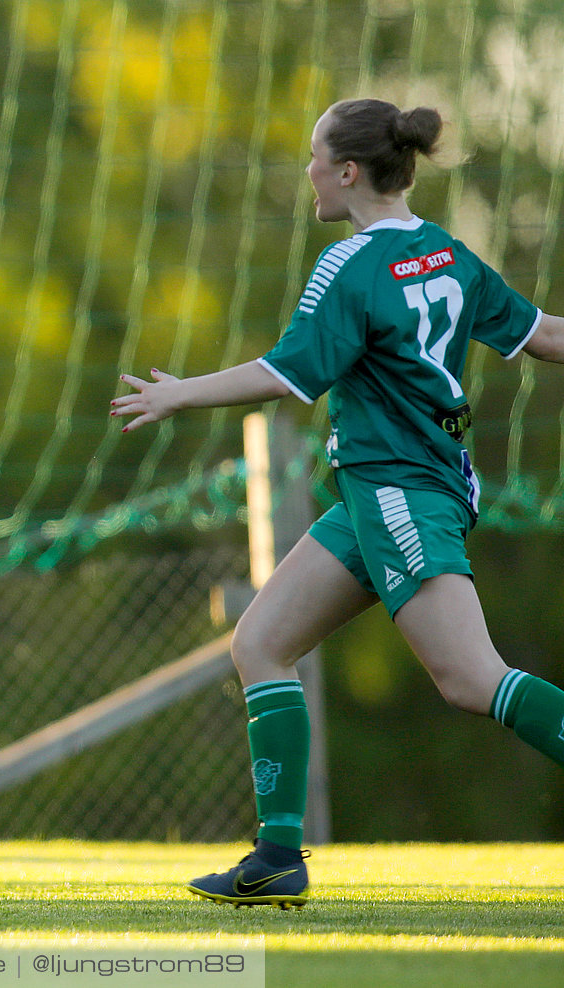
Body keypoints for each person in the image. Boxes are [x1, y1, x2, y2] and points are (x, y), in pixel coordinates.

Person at [112, 98, 564, 909]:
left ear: (348, 172)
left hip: (396, 491)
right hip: (384, 489)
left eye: (315, 157)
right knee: (261, 643)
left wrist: (181, 393)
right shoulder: (448, 254)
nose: (309, 172)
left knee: (471, 678)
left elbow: (287, 375)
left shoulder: (348, 266)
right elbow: (548, 337)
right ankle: (277, 859)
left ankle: (278, 857)